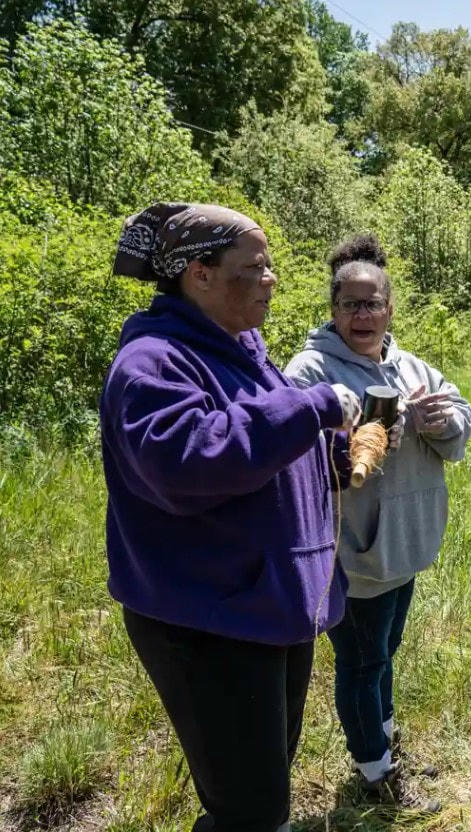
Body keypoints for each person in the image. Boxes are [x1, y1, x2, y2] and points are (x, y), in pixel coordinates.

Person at [101, 203, 363, 832]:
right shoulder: (152, 362)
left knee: (261, 790)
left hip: (267, 606)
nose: (273, 278)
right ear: (201, 273)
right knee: (249, 808)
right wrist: (313, 407)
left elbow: (263, 443)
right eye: (258, 266)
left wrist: (335, 449)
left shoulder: (243, 350)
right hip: (207, 621)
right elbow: (188, 462)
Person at [285, 234, 471, 806]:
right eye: (350, 304)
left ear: (390, 308)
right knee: (363, 663)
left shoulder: (412, 367)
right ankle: (375, 775)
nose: (362, 315)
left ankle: (385, 741)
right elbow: (289, 446)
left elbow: (462, 422)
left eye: (373, 304)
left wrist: (441, 422)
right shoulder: (311, 368)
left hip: (405, 544)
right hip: (354, 551)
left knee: (384, 653)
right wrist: (356, 439)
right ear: (333, 309)